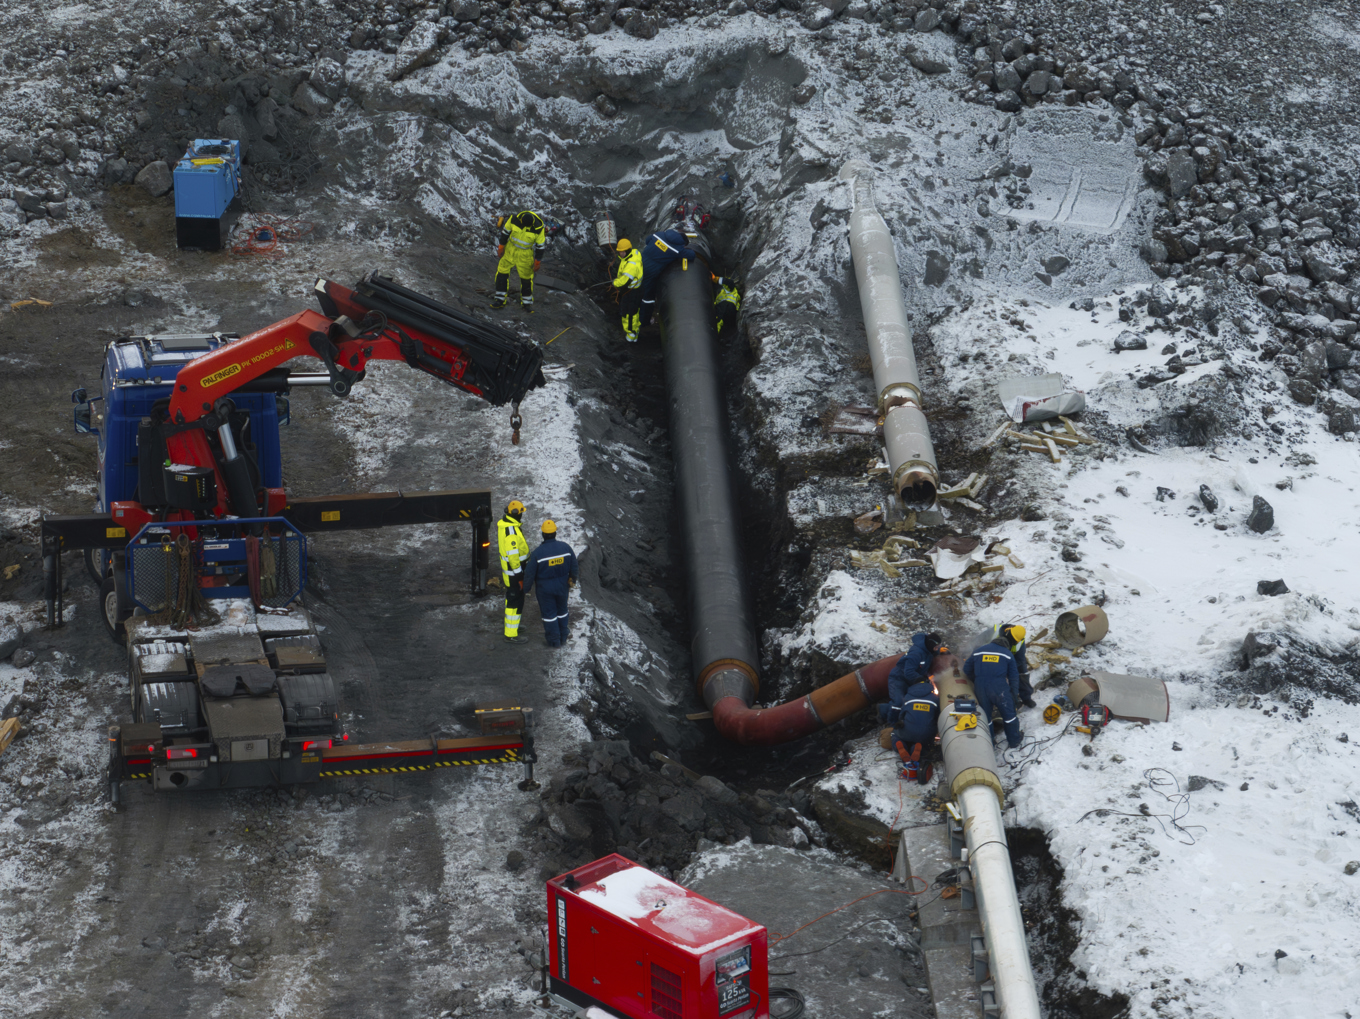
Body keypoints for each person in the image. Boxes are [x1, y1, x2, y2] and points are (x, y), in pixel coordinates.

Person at [523, 519, 579, 647]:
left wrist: (525, 589)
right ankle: (563, 636)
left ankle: (554, 641)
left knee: (549, 615)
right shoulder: (565, 547)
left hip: (545, 589)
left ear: (543, 534)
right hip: (562, 585)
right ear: (555, 533)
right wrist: (572, 579)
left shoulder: (537, 553)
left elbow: (529, 573)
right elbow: (574, 566)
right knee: (562, 610)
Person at [878, 632, 941, 743]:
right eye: (936, 646)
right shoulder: (916, 653)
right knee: (898, 703)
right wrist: (921, 679)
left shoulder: (929, 650)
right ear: (931, 644)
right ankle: (892, 724)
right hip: (899, 678)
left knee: (911, 702)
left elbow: (935, 652)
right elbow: (908, 672)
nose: (937, 649)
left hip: (911, 679)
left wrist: (943, 652)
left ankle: (884, 709)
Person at [963, 639, 1022, 748]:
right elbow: (1014, 677)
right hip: (999, 688)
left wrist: (976, 680)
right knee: (1009, 714)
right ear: (1006, 645)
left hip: (981, 687)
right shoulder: (1007, 654)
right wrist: (1014, 695)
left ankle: (989, 742)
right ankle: (1014, 741)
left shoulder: (978, 651)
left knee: (986, 717)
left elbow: (966, 669)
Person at [639, 228, 698, 328]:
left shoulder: (660, 234)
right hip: (650, 272)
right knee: (647, 296)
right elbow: (692, 255)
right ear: (683, 243)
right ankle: (644, 321)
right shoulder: (677, 249)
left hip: (639, 263)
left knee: (634, 287)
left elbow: (647, 240)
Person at [491, 211, 547, 313]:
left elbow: (540, 247)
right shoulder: (513, 219)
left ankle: (526, 304)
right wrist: (501, 246)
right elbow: (505, 233)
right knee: (502, 273)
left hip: (525, 254)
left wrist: (537, 261)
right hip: (510, 250)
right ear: (521, 220)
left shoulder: (539, 229)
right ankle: (499, 299)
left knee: (526, 279)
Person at [497, 499, 530, 643]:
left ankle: (513, 626)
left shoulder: (509, 525)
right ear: (516, 514)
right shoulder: (511, 531)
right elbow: (513, 556)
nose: (522, 515)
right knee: (514, 601)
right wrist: (519, 574)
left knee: (514, 599)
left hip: (512, 573)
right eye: (521, 513)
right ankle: (511, 634)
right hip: (514, 573)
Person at [991, 622, 1035, 707]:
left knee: (1022, 672)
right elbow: (977, 642)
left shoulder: (1019, 641)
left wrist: (1007, 668)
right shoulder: (994, 631)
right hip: (991, 655)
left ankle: (1026, 698)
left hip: (1011, 657)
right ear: (1007, 632)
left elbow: (1020, 660)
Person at [613, 238, 643, 343]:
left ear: (627, 250)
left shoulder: (631, 266)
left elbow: (624, 281)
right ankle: (635, 331)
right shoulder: (635, 253)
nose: (620, 253)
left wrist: (615, 283)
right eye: (619, 251)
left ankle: (631, 336)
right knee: (634, 312)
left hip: (631, 292)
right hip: (635, 291)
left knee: (628, 314)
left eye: (622, 251)